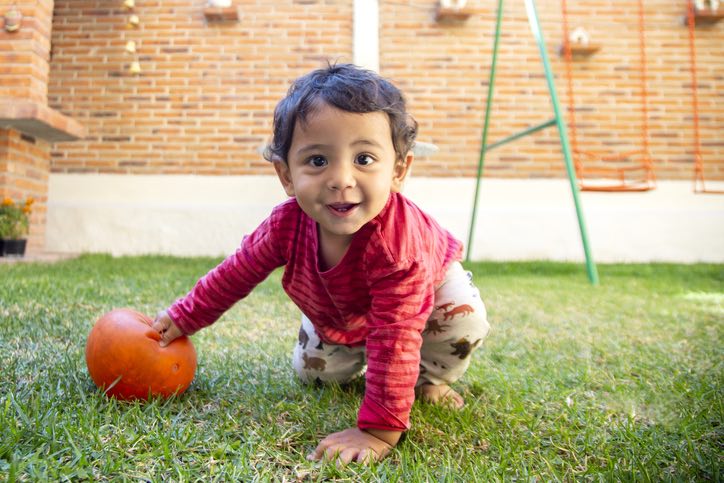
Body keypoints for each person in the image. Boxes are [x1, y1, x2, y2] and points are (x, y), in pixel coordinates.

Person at [152, 63, 490, 465]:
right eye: (317, 161)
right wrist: (183, 317)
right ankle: (351, 341)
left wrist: (379, 431)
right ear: (286, 175)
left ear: (399, 171)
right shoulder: (285, 225)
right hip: (342, 305)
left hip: (428, 296)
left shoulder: (399, 247)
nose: (341, 179)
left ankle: (429, 379)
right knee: (315, 373)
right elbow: (235, 274)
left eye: (364, 158)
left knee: (460, 322)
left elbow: (397, 330)